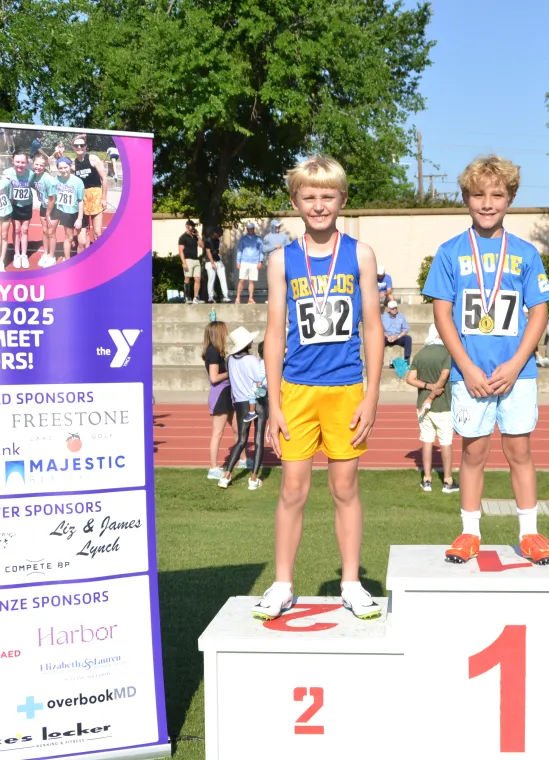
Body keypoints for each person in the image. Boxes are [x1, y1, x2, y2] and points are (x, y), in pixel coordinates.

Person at [257, 155, 384, 621]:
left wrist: (372, 394)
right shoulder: (280, 260)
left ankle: (351, 582)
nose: (318, 205)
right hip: (296, 390)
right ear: (295, 202)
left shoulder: (361, 254)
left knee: (345, 487)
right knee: (292, 488)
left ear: (342, 199)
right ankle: (283, 583)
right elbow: (274, 333)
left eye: (327, 196)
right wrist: (273, 404)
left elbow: (373, 327)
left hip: (347, 388)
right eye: (309, 197)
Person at [423, 154, 549, 566]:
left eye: (497, 195)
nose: (487, 203)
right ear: (465, 197)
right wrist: (465, 366)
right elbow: (442, 313)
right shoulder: (449, 252)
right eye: (478, 194)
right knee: (473, 454)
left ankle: (530, 533)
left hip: (517, 373)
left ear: (510, 198)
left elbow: (539, 311)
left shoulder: (525, 253)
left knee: (520, 452)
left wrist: (517, 362)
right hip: (471, 374)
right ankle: (469, 532)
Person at [407, 325, 457, 493]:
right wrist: (435, 391)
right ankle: (448, 481)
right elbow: (444, 374)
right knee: (446, 442)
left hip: (423, 405)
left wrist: (428, 388)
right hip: (443, 404)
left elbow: (410, 379)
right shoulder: (447, 353)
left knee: (427, 441)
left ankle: (427, 479)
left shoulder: (421, 354)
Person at [219, 326, 267, 490]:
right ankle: (253, 479)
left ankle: (226, 476)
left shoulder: (230, 360)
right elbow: (260, 380)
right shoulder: (252, 360)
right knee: (259, 439)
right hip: (257, 401)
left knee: (241, 440)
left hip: (240, 402)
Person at [202, 321, 235, 480]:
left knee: (238, 429)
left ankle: (242, 459)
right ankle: (213, 468)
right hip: (220, 393)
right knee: (218, 432)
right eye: (224, 331)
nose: (226, 334)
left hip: (228, 392)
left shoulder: (217, 351)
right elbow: (214, 378)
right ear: (217, 333)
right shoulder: (212, 352)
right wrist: (231, 372)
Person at [72, 135, 108, 249]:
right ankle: (87, 256)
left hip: (95, 195)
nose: (79, 147)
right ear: (73, 147)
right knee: (85, 230)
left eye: (82, 145)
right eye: (76, 145)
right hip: (83, 198)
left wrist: (104, 198)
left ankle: (98, 255)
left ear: (86, 146)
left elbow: (104, 178)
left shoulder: (93, 159)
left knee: (97, 232)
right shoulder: (74, 163)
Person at [3, 150, 36, 269]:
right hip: (14, 205)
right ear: (13, 161)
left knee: (25, 230)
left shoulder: (31, 174)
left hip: (26, 205)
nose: (20, 165)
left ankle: (24, 255)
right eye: (17, 162)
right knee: (17, 229)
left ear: (27, 163)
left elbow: (38, 184)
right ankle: (16, 254)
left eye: (23, 162)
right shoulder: (6, 173)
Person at [50, 157, 85, 264]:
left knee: (82, 241)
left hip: (77, 214)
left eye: (65, 167)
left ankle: (80, 261)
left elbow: (80, 201)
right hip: (66, 214)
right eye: (60, 168)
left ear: (70, 166)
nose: (63, 170)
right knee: (69, 238)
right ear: (58, 169)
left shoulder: (78, 181)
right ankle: (67, 260)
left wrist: (79, 218)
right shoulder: (56, 180)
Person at [31, 151, 58, 266]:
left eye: (41, 165)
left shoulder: (48, 179)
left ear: (45, 166)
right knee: (44, 231)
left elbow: (52, 199)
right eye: (36, 164)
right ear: (33, 163)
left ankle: (52, 256)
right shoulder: (34, 177)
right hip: (43, 206)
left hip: (53, 208)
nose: (38, 167)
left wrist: (48, 213)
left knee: (51, 232)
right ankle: (45, 253)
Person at [235, 222, 265, 304]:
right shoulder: (243, 239)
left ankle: (250, 298)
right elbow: (240, 251)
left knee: (251, 281)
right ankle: (238, 297)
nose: (250, 230)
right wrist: (238, 261)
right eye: (249, 229)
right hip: (244, 262)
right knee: (242, 280)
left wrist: (260, 261)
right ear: (247, 229)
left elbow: (261, 251)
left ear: (253, 229)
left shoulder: (258, 239)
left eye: (252, 228)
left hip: (254, 262)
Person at [204, 228, 231, 303]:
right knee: (211, 279)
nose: (219, 236)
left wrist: (221, 250)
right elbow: (208, 252)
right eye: (218, 235)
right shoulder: (208, 240)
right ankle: (210, 296)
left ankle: (225, 295)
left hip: (218, 260)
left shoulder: (217, 240)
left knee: (223, 278)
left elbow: (218, 250)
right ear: (215, 233)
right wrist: (212, 262)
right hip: (210, 262)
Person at [179, 220, 203, 303]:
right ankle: (187, 297)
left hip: (196, 259)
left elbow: (201, 245)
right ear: (186, 226)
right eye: (190, 225)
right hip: (188, 259)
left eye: (192, 225)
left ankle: (196, 297)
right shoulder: (183, 237)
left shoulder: (194, 237)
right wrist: (184, 262)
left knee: (197, 279)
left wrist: (198, 236)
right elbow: (181, 251)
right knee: (187, 278)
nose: (191, 227)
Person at [381, 300, 412, 364]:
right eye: (392, 308)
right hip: (387, 337)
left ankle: (407, 359)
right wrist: (387, 336)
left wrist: (398, 336)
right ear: (388, 309)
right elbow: (380, 330)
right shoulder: (383, 317)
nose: (394, 309)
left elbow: (405, 329)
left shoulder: (401, 316)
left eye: (396, 308)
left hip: (397, 337)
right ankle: (379, 360)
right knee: (379, 340)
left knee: (408, 338)